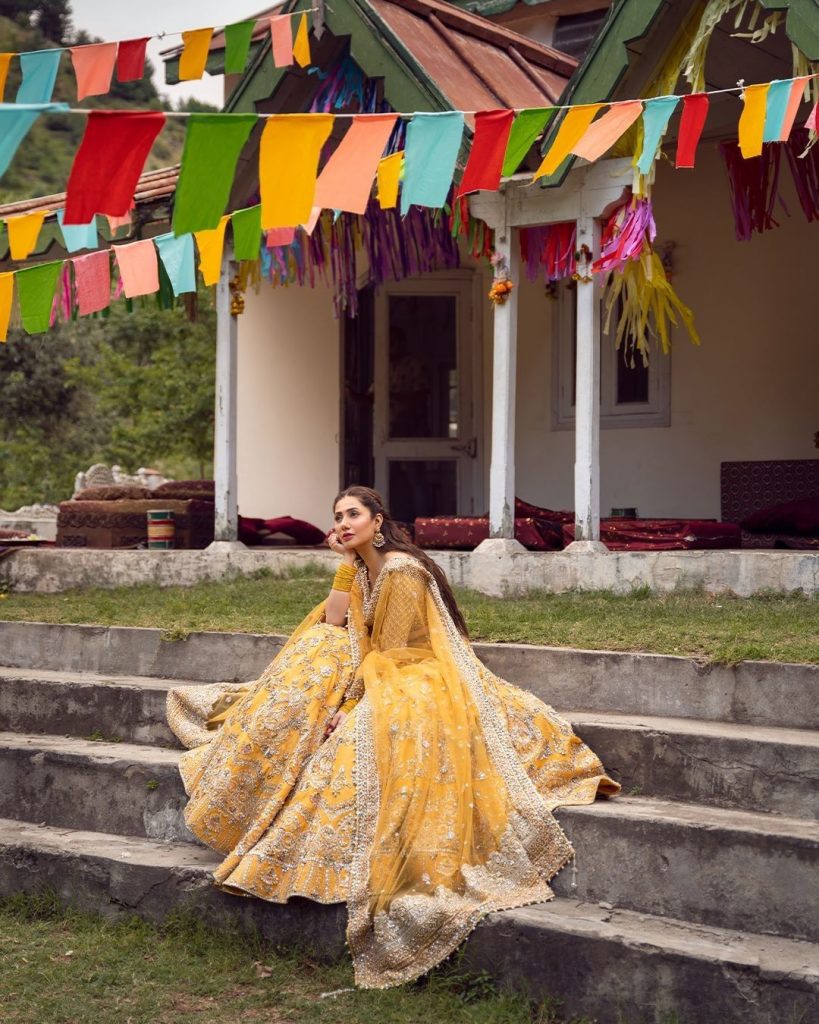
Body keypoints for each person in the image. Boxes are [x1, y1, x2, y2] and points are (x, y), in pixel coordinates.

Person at [167, 486, 619, 989]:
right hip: (386, 669)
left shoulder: (401, 570)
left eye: (353, 514)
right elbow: (342, 625)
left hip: (417, 675)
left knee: (354, 739)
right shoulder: (362, 568)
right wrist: (345, 564)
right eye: (337, 516)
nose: (343, 522)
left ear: (377, 520)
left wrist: (353, 703)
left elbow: (394, 652)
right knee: (320, 657)